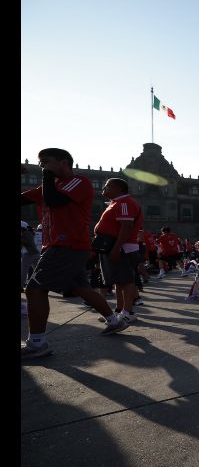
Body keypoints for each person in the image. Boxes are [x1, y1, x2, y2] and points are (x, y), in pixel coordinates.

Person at [21, 148, 128, 359]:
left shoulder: (79, 182)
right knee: (80, 288)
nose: (42, 166)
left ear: (63, 162)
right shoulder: (49, 186)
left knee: (34, 289)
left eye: (46, 161)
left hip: (66, 245)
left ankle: (37, 343)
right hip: (62, 246)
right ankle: (115, 321)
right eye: (40, 163)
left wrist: (47, 175)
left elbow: (53, 200)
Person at [93, 178, 144, 331]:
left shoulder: (124, 203)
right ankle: (119, 310)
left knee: (127, 280)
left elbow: (126, 227)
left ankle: (128, 312)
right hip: (116, 246)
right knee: (119, 281)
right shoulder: (116, 203)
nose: (104, 188)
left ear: (118, 188)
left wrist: (116, 248)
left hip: (122, 247)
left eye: (108, 186)